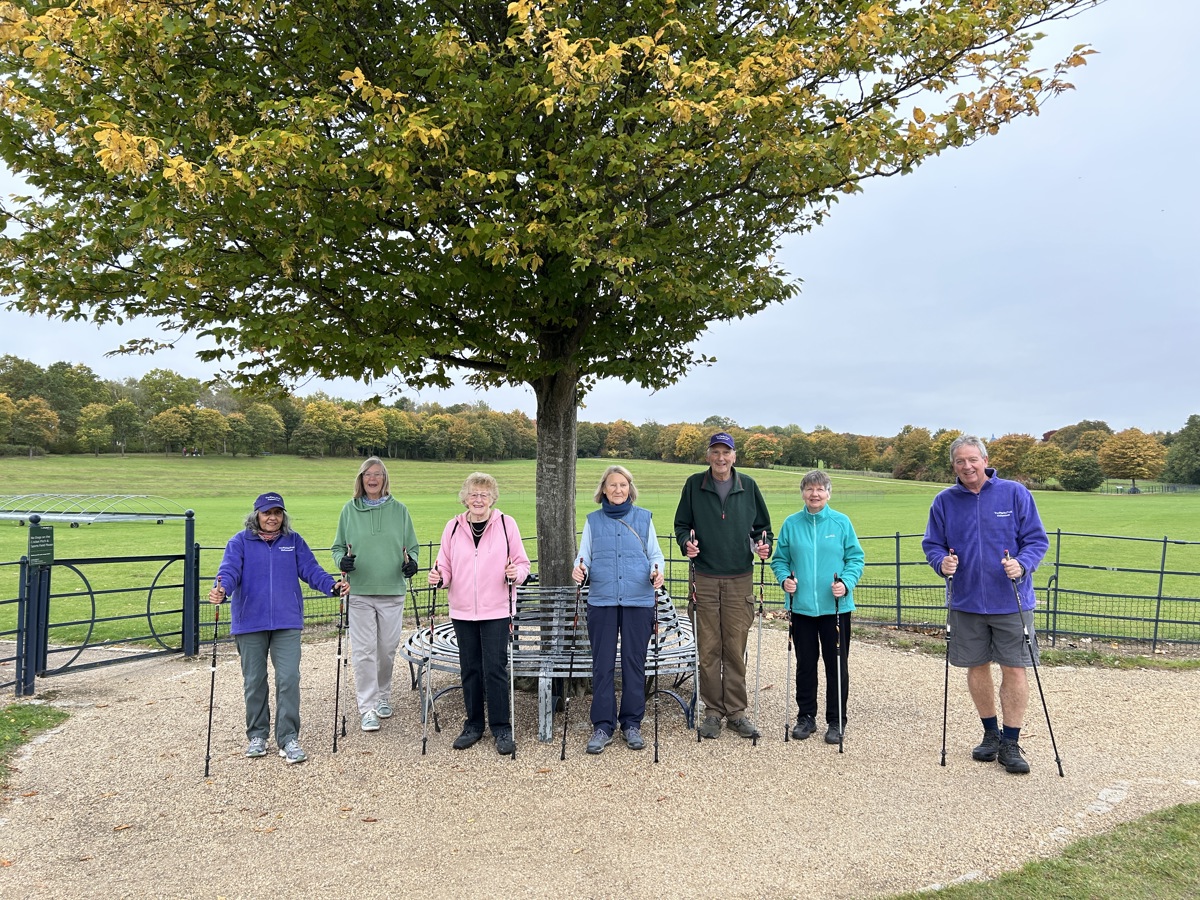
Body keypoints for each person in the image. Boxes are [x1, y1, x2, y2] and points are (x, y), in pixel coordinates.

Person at [923, 435, 1049, 775]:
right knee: (976, 666)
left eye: (972, 460)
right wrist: (940, 563)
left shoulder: (1014, 493)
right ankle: (990, 733)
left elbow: (1037, 540)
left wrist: (1022, 564)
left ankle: (1011, 740)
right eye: (960, 462)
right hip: (965, 601)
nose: (967, 466)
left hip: (1011, 599)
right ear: (954, 466)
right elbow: (932, 544)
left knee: (1014, 667)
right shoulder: (945, 501)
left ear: (985, 459)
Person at [209, 492, 348, 765]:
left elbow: (311, 570)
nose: (272, 518)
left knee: (288, 679)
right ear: (256, 515)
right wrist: (222, 588)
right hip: (250, 621)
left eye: (277, 512)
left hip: (286, 621)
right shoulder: (239, 542)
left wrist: (331, 586)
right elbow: (229, 571)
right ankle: (257, 735)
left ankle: (288, 738)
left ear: (283, 515)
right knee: (254, 681)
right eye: (266, 513)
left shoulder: (293, 541)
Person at [673, 432, 772, 740]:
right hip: (704, 575)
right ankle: (713, 711)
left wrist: (762, 545)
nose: (720, 458)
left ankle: (737, 712)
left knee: (734, 646)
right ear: (708, 456)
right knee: (708, 647)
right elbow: (680, 525)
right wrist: (685, 543)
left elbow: (763, 528)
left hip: (740, 577)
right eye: (715, 452)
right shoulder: (694, 485)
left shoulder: (749, 487)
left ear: (734, 456)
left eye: (725, 452)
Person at [429, 473, 530, 756]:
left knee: (495, 669)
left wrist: (516, 574)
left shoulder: (507, 524)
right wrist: (439, 577)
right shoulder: (452, 527)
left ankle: (501, 728)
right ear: (465, 497)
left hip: (497, 608)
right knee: (470, 669)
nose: (478, 499)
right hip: (462, 610)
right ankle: (473, 725)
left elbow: (522, 563)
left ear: (492, 498)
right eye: (473, 494)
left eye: (484, 494)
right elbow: (445, 566)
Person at [572, 465, 666, 754]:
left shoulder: (643, 518)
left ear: (630, 488)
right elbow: (583, 555)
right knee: (602, 665)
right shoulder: (593, 521)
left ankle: (631, 723)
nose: (617, 490)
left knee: (633, 663)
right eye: (612, 485)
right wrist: (580, 569)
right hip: (602, 600)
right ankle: (602, 725)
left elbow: (655, 554)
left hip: (638, 599)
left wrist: (657, 572)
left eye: (622, 485)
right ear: (603, 489)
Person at [770, 471, 865, 745]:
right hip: (801, 609)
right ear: (802, 493)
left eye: (820, 489)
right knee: (805, 665)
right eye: (810, 489)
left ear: (828, 493)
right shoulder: (791, 524)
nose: (815, 494)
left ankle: (836, 721)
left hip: (835, 608)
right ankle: (806, 716)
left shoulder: (841, 522)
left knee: (836, 665)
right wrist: (784, 579)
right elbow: (780, 560)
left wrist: (846, 583)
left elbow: (855, 559)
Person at [331, 457, 419, 733]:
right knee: (364, 652)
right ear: (360, 478)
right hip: (359, 591)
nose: (372, 479)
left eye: (378, 474)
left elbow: (412, 546)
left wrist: (412, 562)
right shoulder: (349, 510)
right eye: (368, 474)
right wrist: (340, 562)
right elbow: (336, 548)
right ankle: (367, 706)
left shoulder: (400, 510)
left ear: (384, 478)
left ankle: (383, 695)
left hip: (392, 590)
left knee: (386, 650)